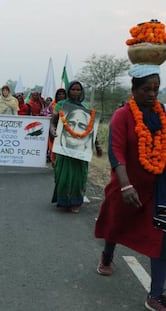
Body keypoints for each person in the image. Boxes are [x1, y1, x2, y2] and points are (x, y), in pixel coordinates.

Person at [94, 65, 166, 310]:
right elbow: (115, 152)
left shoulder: (162, 114)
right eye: (147, 89)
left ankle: (155, 294)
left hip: (156, 190)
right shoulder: (122, 115)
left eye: (156, 89)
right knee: (115, 226)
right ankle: (107, 255)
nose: (152, 94)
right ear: (134, 89)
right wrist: (126, 186)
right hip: (126, 187)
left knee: (161, 237)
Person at [49, 81, 102, 213]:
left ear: (82, 92)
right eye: (73, 89)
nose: (76, 92)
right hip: (64, 147)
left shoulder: (85, 107)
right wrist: (53, 130)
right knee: (63, 174)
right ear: (69, 91)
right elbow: (53, 122)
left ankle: (76, 202)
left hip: (81, 150)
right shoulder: (61, 105)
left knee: (80, 176)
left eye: (78, 90)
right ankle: (64, 201)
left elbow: (91, 129)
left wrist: (97, 145)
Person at [48, 88, 67, 164]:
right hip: (54, 128)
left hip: (65, 129)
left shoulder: (69, 105)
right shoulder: (52, 105)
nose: (61, 96)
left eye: (63, 94)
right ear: (56, 96)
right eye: (59, 94)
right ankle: (53, 161)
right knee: (53, 147)